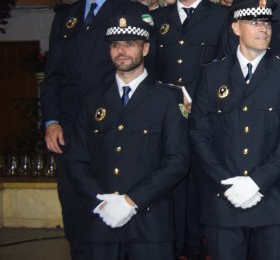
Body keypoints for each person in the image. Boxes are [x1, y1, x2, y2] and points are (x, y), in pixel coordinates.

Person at [43, 0, 152, 259]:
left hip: (115, 127)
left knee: (115, 210)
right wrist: (51, 121)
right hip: (70, 129)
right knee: (75, 210)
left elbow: (147, 73)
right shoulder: (66, 17)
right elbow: (53, 76)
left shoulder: (132, 13)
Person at [190, 0, 280, 260]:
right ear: (236, 27)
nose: (263, 29)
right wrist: (227, 183)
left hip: (274, 199)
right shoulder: (212, 74)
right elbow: (199, 134)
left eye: (267, 23)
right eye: (254, 22)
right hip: (224, 199)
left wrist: (258, 182)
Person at [64, 14, 190, 260]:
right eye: (115, 45)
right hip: (102, 223)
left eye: (130, 44)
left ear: (145, 48)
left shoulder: (167, 99)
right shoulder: (93, 100)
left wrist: (131, 201)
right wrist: (101, 203)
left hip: (150, 224)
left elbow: (177, 160)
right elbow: (76, 159)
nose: (121, 51)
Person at [152, 0, 231, 260]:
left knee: (203, 183)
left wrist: (196, 96)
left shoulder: (222, 17)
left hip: (207, 116)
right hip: (167, 117)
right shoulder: (158, 19)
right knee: (170, 184)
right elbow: (150, 71)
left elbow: (227, 66)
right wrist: (171, 96)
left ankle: (200, 248)